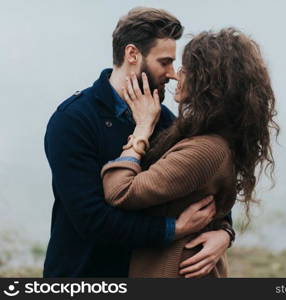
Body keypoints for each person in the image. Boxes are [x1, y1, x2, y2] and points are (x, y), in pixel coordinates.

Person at [43, 7, 234, 277]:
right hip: (83, 274)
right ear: (132, 54)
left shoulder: (166, 120)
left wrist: (224, 232)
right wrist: (175, 229)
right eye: (165, 62)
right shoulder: (73, 120)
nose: (172, 73)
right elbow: (92, 220)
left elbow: (201, 184)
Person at [101, 27, 279, 277]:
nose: (175, 75)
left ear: (207, 82)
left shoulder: (205, 150)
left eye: (184, 68)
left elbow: (121, 191)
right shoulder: (203, 136)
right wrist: (225, 232)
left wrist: (141, 129)